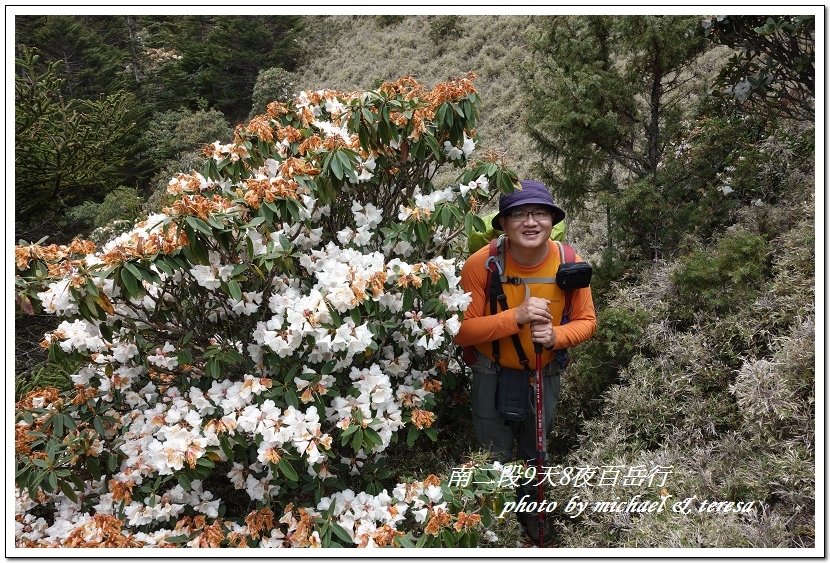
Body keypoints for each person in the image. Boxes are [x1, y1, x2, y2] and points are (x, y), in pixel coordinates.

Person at [453, 179, 597, 542]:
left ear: (552, 220)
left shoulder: (569, 261)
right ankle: (494, 521)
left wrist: (556, 337)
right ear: (503, 223)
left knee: (537, 449)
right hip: (491, 371)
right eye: (519, 214)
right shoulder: (481, 265)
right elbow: (462, 331)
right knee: (493, 452)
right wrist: (514, 317)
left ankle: (532, 511)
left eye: (539, 213)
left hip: (543, 372)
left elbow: (587, 321)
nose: (530, 222)